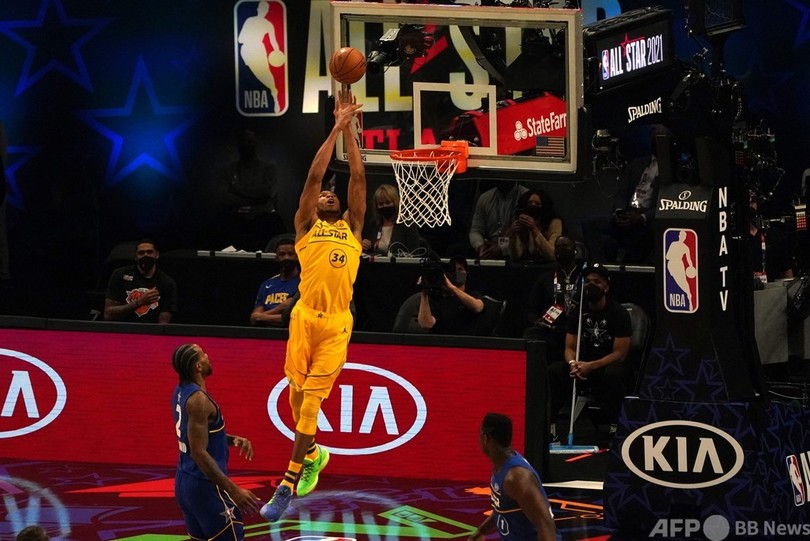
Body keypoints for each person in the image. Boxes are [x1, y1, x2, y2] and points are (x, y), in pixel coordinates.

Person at [261, 90, 365, 522]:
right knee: (295, 397)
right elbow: (313, 177)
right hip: (303, 317)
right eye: (323, 195)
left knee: (309, 406)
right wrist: (336, 126)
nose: (328, 195)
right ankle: (315, 453)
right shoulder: (304, 227)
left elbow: (358, 178)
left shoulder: (353, 227)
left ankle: (288, 482)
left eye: (332, 196)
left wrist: (351, 131)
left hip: (336, 324)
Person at [172, 343, 261, 540]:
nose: (207, 355)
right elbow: (198, 452)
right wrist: (233, 490)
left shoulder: (181, 391)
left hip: (184, 482)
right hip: (205, 487)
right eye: (202, 354)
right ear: (198, 366)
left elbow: (196, 436)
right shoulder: (199, 400)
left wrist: (232, 440)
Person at [546, 263, 633, 438]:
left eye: (597, 282)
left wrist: (591, 366)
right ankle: (551, 427)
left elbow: (620, 354)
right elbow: (569, 347)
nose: (591, 285)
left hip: (606, 366)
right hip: (582, 367)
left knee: (614, 374)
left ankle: (615, 428)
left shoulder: (619, 313)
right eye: (587, 281)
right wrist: (573, 363)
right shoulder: (578, 312)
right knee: (555, 371)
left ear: (606, 287)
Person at [582, 125, 668, 264]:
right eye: (653, 137)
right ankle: (600, 267)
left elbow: (666, 203)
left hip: (648, 220)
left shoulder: (672, 169)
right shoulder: (637, 164)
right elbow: (621, 192)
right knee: (589, 223)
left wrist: (642, 217)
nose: (655, 141)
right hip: (627, 213)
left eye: (659, 137)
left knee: (655, 231)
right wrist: (619, 211)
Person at [469, 413, 558, 541]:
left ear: (485, 438)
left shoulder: (516, 477)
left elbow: (546, 525)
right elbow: (503, 507)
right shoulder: (501, 464)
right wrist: (482, 530)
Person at [209, 129, 282, 251]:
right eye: (242, 141)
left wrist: (237, 189)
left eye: (249, 141)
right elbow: (223, 197)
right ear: (237, 145)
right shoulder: (228, 170)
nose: (246, 144)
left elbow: (268, 193)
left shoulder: (268, 168)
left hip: (262, 221)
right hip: (233, 222)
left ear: (255, 144)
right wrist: (253, 199)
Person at [522, 237, 583, 364]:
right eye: (558, 247)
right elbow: (531, 309)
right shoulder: (546, 278)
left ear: (575, 250)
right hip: (552, 328)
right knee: (531, 334)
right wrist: (537, 321)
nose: (561, 249)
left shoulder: (584, 277)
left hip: (577, 329)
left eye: (565, 246)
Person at [103, 239, 178, 324]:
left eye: (149, 252)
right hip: (123, 328)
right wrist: (139, 302)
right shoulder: (120, 275)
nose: (145, 255)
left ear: (157, 255)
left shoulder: (167, 282)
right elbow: (108, 314)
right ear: (135, 257)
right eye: (141, 253)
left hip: (150, 330)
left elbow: (163, 323)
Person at [412, 256, 489, 335]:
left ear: (466, 273)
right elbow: (426, 325)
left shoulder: (474, 295)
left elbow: (477, 307)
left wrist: (451, 287)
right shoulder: (437, 299)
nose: (457, 273)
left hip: (466, 341)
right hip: (442, 341)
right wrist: (424, 290)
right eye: (454, 271)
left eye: (460, 269)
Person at [238, 0, 283, 112]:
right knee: (251, 75)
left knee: (265, 74)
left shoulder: (268, 24)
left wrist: (277, 52)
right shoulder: (249, 21)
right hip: (246, 50)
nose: (263, 11)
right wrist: (250, 38)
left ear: (267, 11)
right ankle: (272, 91)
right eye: (262, 8)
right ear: (258, 9)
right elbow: (240, 39)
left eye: (265, 9)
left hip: (259, 50)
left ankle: (274, 93)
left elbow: (274, 42)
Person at [469, 181, 528, 260]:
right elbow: (476, 230)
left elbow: (525, 238)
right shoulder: (485, 198)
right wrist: (480, 246)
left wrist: (501, 247)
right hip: (488, 248)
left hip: (515, 251)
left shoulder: (527, 196)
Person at [250, 237, 300, 327]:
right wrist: (281, 308)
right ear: (276, 257)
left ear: (297, 256)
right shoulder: (266, 285)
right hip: (267, 332)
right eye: (282, 254)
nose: (286, 258)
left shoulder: (303, 282)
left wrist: (261, 317)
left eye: (290, 254)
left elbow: (294, 319)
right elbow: (254, 319)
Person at [361, 183, 421, 256]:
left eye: (388, 202)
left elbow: (414, 253)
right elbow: (369, 250)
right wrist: (365, 245)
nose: (384, 206)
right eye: (381, 204)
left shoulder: (407, 225)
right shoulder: (374, 225)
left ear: (395, 203)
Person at [506, 189, 563, 263]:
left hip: (547, 266)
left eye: (537, 204)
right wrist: (512, 235)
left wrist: (534, 229)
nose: (533, 206)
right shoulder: (521, 222)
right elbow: (515, 256)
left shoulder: (554, 223)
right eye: (529, 203)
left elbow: (552, 255)